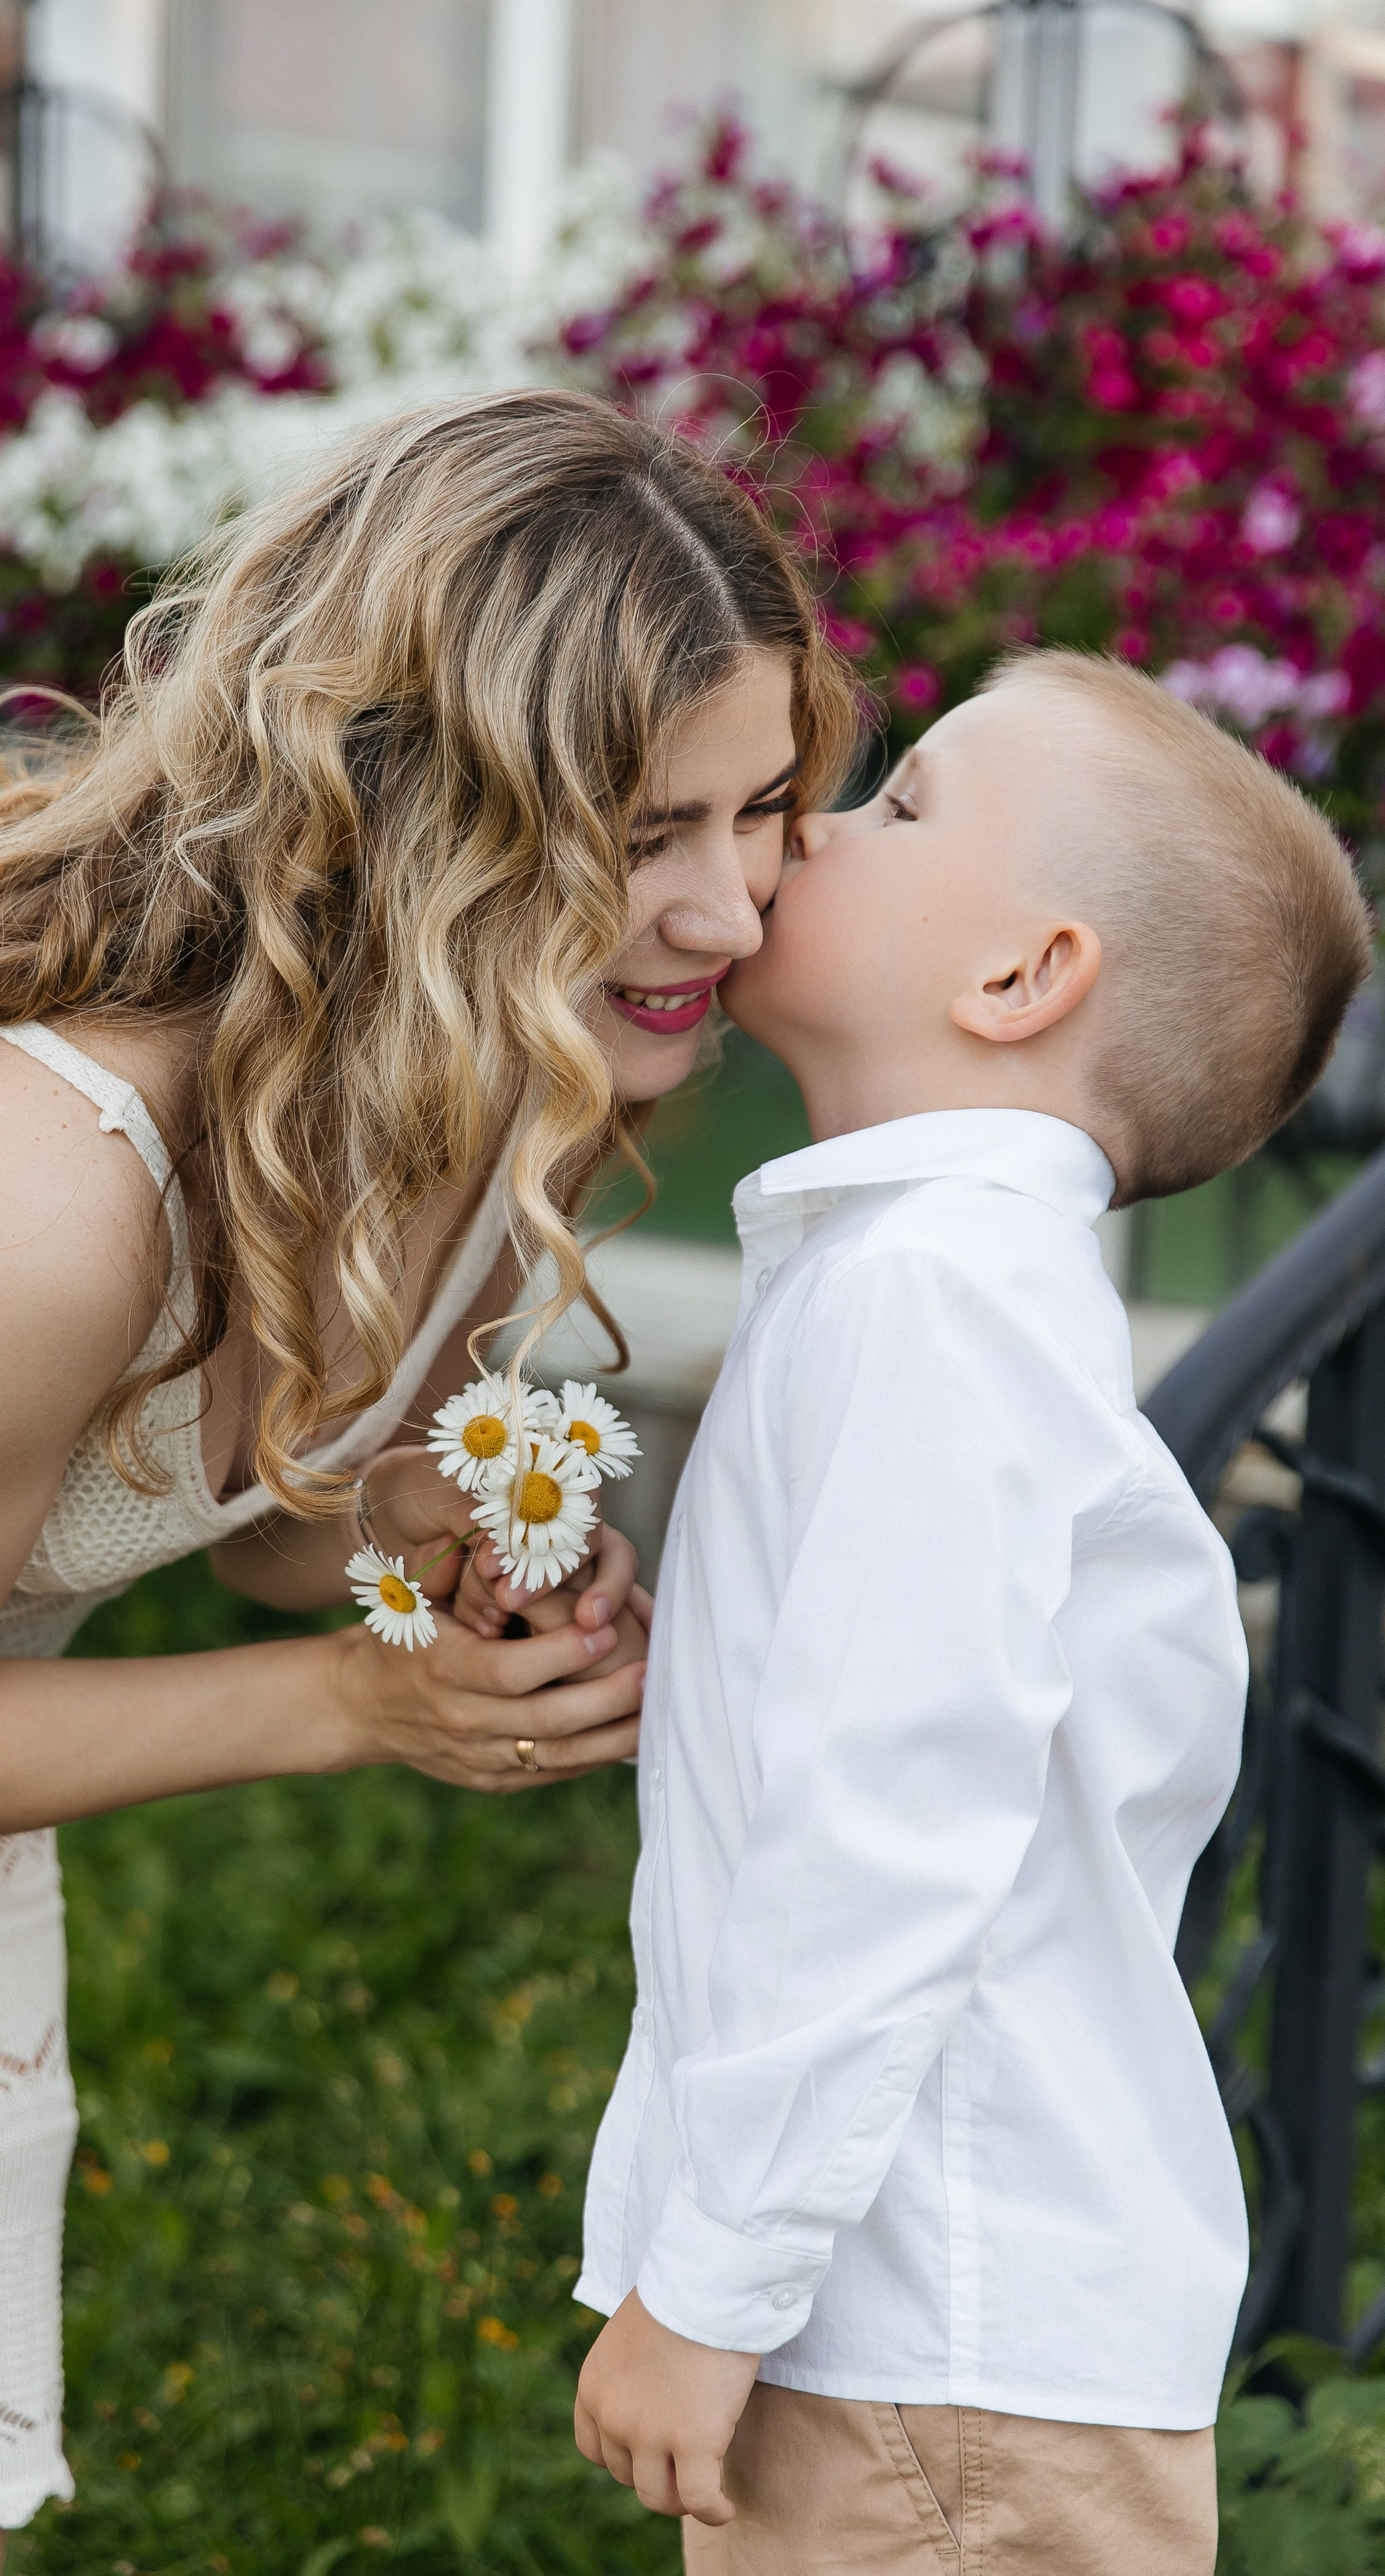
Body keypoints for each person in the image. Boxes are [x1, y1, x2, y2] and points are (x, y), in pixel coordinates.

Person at [0, 388, 858, 2573]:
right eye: (641, 828)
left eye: (764, 807)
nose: (726, 904)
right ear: (412, 810)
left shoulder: (520, 1048)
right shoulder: (47, 1178)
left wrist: (442, 1538)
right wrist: (360, 1711)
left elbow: (280, 1516)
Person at [570, 648, 1374, 2573]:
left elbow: (892, 1827)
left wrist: (718, 2278)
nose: (806, 830)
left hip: (934, 2351)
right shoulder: (918, 1275)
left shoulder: (941, 1301)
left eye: (899, 806)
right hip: (929, 2337)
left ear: (1022, 981)